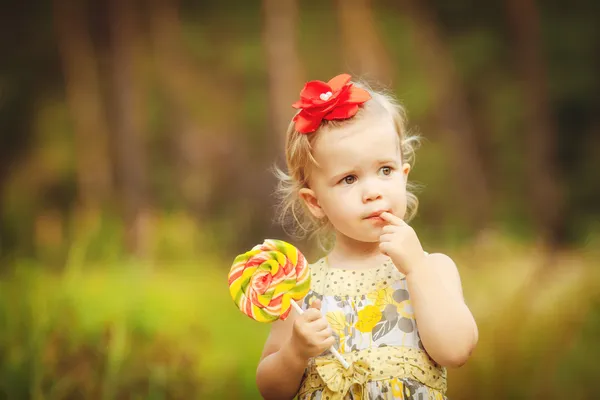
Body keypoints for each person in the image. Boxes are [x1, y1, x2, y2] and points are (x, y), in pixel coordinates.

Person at [256, 73, 478, 400]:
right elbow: (271, 391)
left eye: (385, 170)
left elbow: (457, 351)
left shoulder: (433, 269)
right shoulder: (301, 289)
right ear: (315, 202)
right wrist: (294, 353)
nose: (372, 192)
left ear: (403, 176)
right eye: (349, 179)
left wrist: (416, 269)